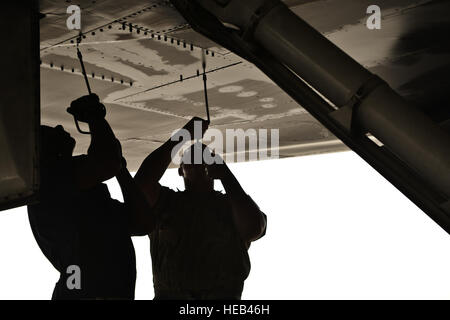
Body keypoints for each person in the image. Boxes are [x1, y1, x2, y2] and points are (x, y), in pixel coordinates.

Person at [28, 94, 150, 299]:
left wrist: (120, 168)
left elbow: (141, 223)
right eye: (46, 133)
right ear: (41, 154)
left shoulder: (69, 186)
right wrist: (93, 117)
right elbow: (107, 162)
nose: (58, 128)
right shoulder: (49, 181)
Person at [134, 117, 267, 299]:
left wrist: (226, 176)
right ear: (181, 170)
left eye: (205, 157)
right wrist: (183, 135)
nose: (199, 160)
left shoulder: (233, 205)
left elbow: (254, 228)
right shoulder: (167, 202)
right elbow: (141, 186)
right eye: (191, 158)